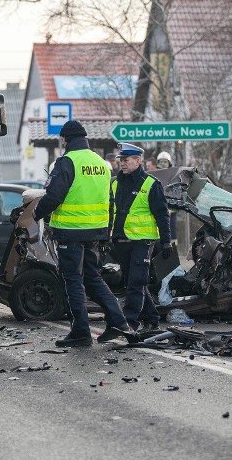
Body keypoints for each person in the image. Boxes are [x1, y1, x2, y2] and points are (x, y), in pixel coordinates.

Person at [33, 120, 134, 347]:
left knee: (73, 282)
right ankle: (118, 321)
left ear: (66, 140)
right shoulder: (101, 164)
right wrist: (106, 231)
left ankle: (80, 332)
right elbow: (110, 200)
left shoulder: (68, 161)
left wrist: (37, 214)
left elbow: (54, 195)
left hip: (71, 232)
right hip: (95, 232)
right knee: (92, 278)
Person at [111, 143, 173, 334]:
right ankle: (152, 319)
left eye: (126, 160)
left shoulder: (151, 184)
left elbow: (162, 215)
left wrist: (166, 241)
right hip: (121, 241)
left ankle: (129, 322)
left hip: (143, 241)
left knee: (136, 281)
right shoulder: (114, 183)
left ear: (138, 161)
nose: (122, 163)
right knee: (132, 282)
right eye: (121, 160)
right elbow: (109, 213)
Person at [155, 151, 178, 243]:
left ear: (169, 163)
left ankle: (173, 249)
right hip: (159, 209)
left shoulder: (173, 175)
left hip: (171, 209)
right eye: (161, 161)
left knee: (172, 231)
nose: (163, 164)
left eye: (165, 162)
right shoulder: (155, 174)